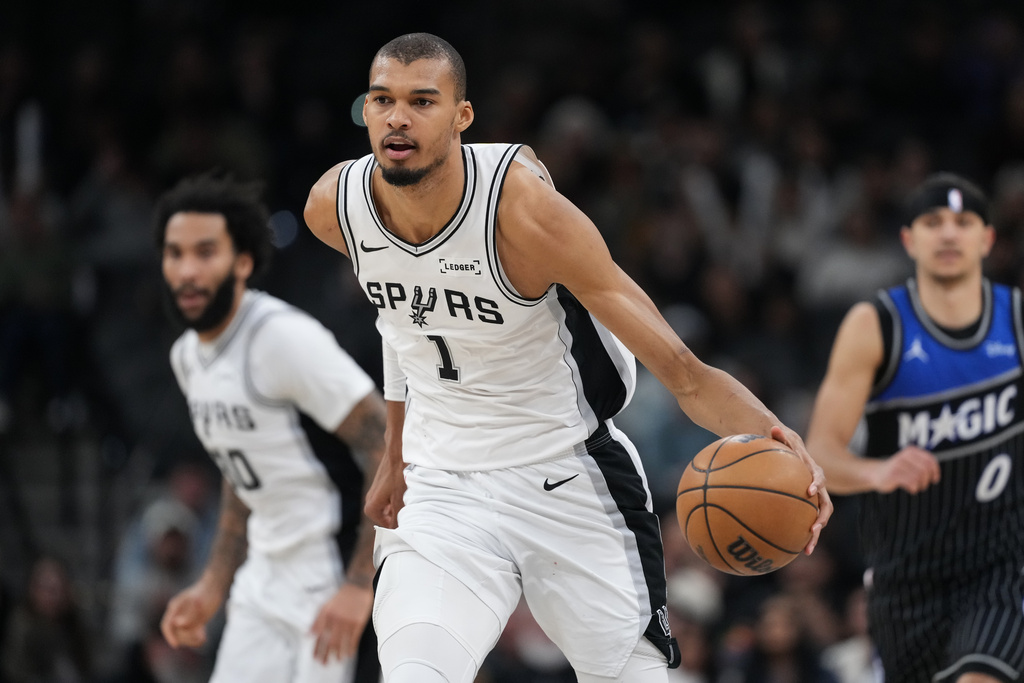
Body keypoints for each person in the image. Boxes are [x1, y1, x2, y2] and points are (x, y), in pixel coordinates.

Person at [303, 32, 832, 683]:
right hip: (441, 485)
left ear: (462, 117)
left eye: (422, 101)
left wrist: (782, 439)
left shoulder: (526, 215)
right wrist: (394, 450)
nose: (398, 118)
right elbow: (403, 318)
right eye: (382, 100)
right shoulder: (335, 207)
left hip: (566, 471)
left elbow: (685, 373)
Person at [154, 172, 388, 683]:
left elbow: (387, 445)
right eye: (175, 253)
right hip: (263, 578)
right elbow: (242, 472)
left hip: (333, 575)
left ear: (242, 262)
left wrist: (361, 583)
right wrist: (212, 584)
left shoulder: (282, 339)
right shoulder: (187, 358)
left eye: (205, 252)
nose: (188, 270)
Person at [806, 172, 1024, 683]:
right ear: (908, 239)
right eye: (933, 222)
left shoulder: (1016, 320)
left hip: (1001, 566)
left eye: (964, 222)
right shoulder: (875, 325)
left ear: (987, 238)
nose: (948, 234)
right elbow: (820, 452)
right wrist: (878, 472)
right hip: (905, 576)